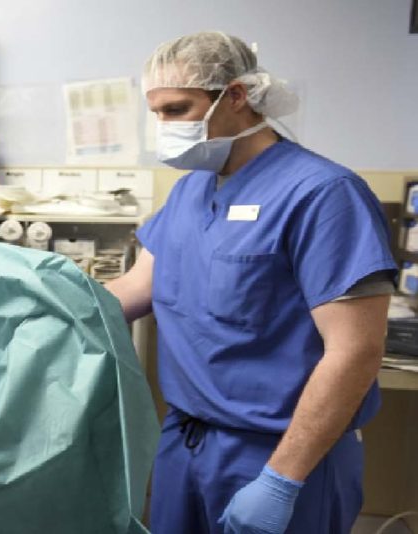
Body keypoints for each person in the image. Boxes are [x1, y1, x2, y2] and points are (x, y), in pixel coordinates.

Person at [105, 31, 396, 534]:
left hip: (282, 454)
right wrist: (20, 294)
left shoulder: (323, 194)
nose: (164, 128)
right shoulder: (190, 192)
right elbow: (132, 291)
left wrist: (282, 479)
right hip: (186, 444)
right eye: (156, 113)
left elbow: (356, 351)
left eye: (177, 110)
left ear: (236, 96)